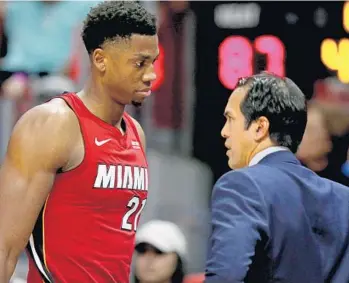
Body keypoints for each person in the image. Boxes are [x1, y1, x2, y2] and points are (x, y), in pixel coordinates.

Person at [0, 1, 159, 282]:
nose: (151, 75)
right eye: (140, 63)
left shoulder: (136, 133)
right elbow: (4, 247)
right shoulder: (54, 124)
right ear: (100, 60)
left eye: (153, 63)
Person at [205, 72, 349, 283]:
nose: (224, 132)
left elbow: (226, 276)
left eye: (230, 119)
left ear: (260, 127)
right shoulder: (344, 198)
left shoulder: (240, 186)